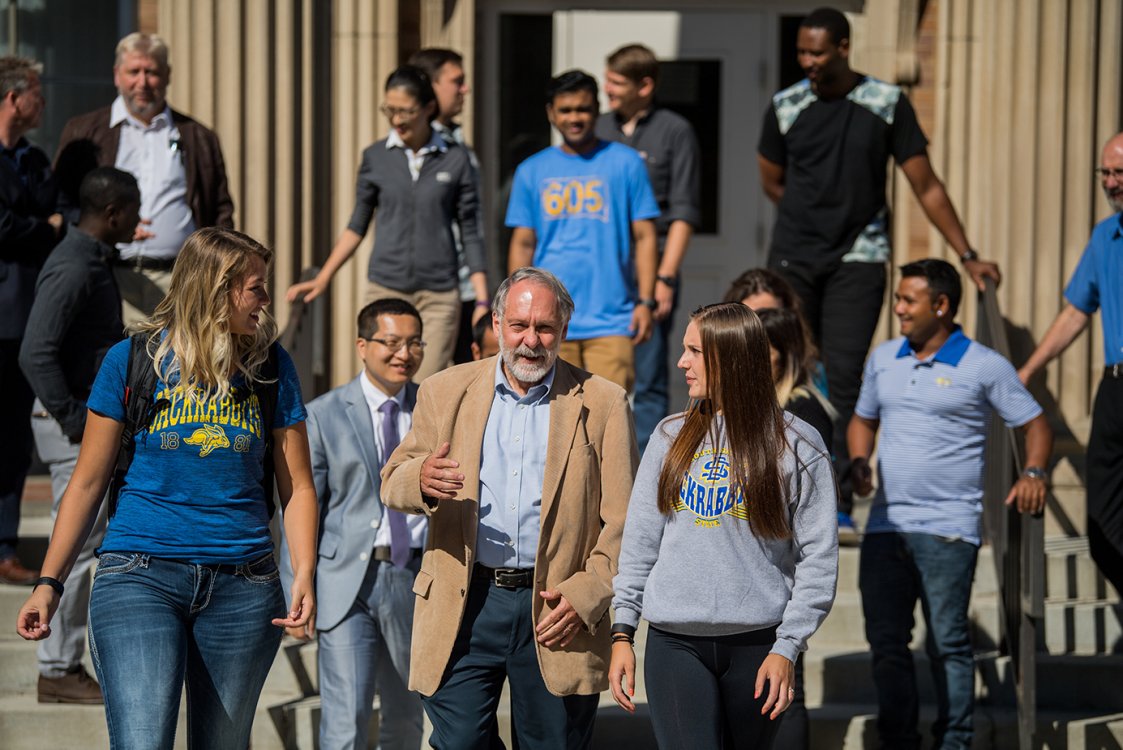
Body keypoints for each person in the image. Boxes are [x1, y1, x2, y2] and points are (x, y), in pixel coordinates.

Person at [16, 227, 318, 750]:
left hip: (244, 589)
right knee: (142, 741)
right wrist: (50, 581)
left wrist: (306, 573)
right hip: (139, 576)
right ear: (217, 288)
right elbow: (86, 485)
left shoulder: (272, 366)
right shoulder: (130, 360)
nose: (266, 300)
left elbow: (298, 487)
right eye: (256, 287)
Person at [757, 7, 1001, 538]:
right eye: (802, 52)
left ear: (844, 47)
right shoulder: (785, 104)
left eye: (817, 53)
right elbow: (772, 180)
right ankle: (781, 496)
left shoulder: (886, 104)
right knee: (788, 373)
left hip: (859, 257)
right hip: (794, 258)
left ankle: (839, 500)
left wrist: (966, 254)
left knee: (843, 378)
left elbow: (926, 185)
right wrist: (811, 216)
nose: (808, 63)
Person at [381, 267, 638, 749]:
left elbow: (627, 522)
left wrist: (590, 592)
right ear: (497, 324)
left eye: (544, 328)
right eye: (519, 326)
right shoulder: (444, 390)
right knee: (457, 741)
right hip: (465, 600)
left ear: (563, 329)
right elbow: (393, 479)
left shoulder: (604, 402)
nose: (531, 341)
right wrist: (421, 480)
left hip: (556, 609)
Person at [608, 302, 838, 750]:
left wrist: (788, 646)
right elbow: (638, 544)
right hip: (674, 644)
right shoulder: (669, 437)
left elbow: (819, 557)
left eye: (694, 351)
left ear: (729, 357)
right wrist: (622, 632)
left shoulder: (799, 444)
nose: (681, 363)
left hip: (759, 646)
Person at [848, 259, 1052, 750]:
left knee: (948, 644)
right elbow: (863, 419)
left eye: (907, 300)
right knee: (887, 645)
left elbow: (1035, 425)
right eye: (897, 299)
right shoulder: (883, 358)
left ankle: (955, 741)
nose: (897, 308)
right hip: (884, 526)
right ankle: (898, 739)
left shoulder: (984, 364)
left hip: (948, 529)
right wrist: (859, 459)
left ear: (941, 306)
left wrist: (1034, 472)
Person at [280, 297, 426, 750]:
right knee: (346, 721)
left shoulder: (436, 410)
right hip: (346, 583)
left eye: (414, 343)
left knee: (406, 720)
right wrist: (296, 586)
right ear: (363, 345)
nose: (404, 353)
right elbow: (302, 505)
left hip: (416, 579)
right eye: (392, 342)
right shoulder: (323, 413)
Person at [18, 167, 140, 704]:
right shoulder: (72, 266)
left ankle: (65, 663)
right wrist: (73, 419)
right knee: (81, 544)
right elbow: (35, 351)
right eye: (132, 212)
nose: (139, 221)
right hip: (68, 428)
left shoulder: (91, 259)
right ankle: (57, 667)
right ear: (112, 214)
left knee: (90, 541)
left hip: (81, 425)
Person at [286, 65, 488, 380]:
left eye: (405, 111)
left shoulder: (456, 158)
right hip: (385, 286)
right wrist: (324, 276)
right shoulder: (375, 157)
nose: (396, 120)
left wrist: (482, 298)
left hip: (438, 295)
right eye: (390, 110)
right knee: (382, 383)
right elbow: (357, 224)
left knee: (424, 387)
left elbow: (471, 231)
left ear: (428, 109)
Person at [53, 32, 234, 327]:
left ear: (167, 76)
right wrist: (108, 228)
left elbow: (221, 210)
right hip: (106, 277)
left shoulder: (197, 136)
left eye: (151, 72)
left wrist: (217, 272)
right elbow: (61, 203)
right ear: (116, 75)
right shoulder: (83, 132)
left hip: (178, 281)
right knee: (115, 369)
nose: (143, 82)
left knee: (176, 370)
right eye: (133, 71)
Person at [507, 70, 659, 392]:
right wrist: (516, 307)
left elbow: (645, 237)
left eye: (583, 109)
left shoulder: (626, 163)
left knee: (610, 416)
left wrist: (646, 301)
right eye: (565, 110)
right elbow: (523, 243)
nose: (574, 118)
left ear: (597, 110)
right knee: (547, 417)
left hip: (612, 320)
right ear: (551, 113)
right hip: (547, 320)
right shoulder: (531, 170)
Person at [1018, 132, 1123, 595]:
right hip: (1115, 388)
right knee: (1102, 529)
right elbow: (1078, 311)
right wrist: (1029, 370)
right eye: (1106, 172)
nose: (1111, 182)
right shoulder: (1105, 236)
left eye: (1120, 173)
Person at [596, 43, 701, 453]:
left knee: (651, 378)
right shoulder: (598, 130)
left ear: (645, 85)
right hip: (604, 275)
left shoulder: (674, 131)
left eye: (617, 82)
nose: (609, 89)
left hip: (650, 271)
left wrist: (665, 276)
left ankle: (648, 474)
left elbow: (683, 212)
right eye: (607, 79)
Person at [0, 54, 63, 586]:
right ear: (13, 98)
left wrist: (38, 224)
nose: (42, 102)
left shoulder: (35, 159)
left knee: (13, 438)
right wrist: (42, 225)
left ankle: (5, 547)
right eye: (36, 93)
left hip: (24, 320)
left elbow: (52, 217)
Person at [408, 48, 490, 365]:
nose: (464, 89)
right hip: (433, 289)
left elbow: (470, 225)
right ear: (430, 86)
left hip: (466, 288)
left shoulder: (456, 143)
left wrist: (482, 293)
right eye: (457, 81)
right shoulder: (410, 150)